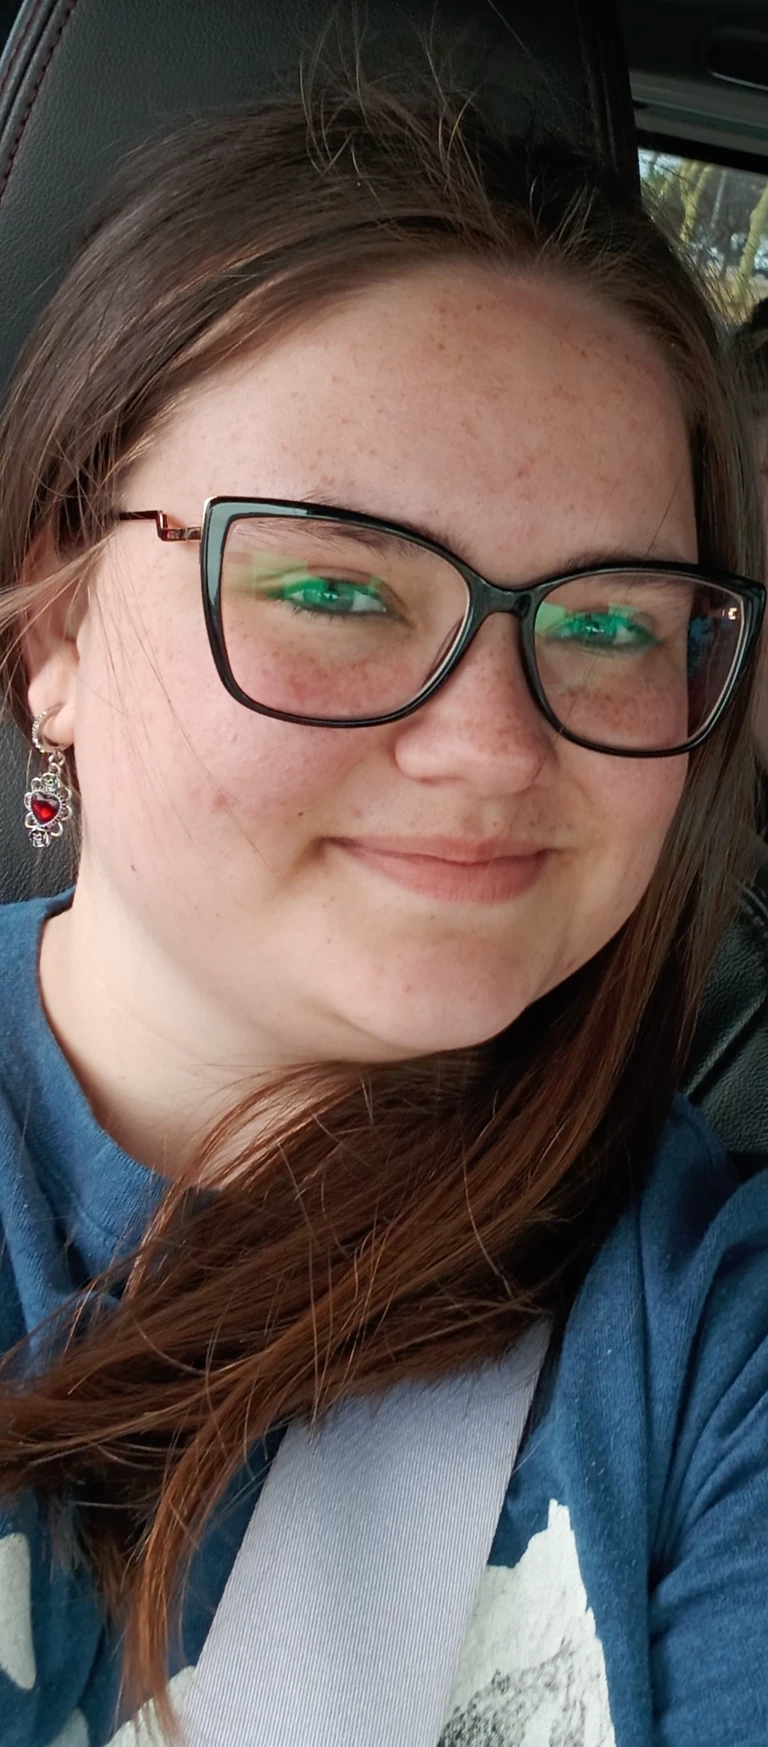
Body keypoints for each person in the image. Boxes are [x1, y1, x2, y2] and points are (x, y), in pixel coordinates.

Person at [0, 82, 766, 1747]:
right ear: (53, 624)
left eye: (614, 625)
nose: (495, 747)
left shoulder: (713, 1335)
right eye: (335, 588)